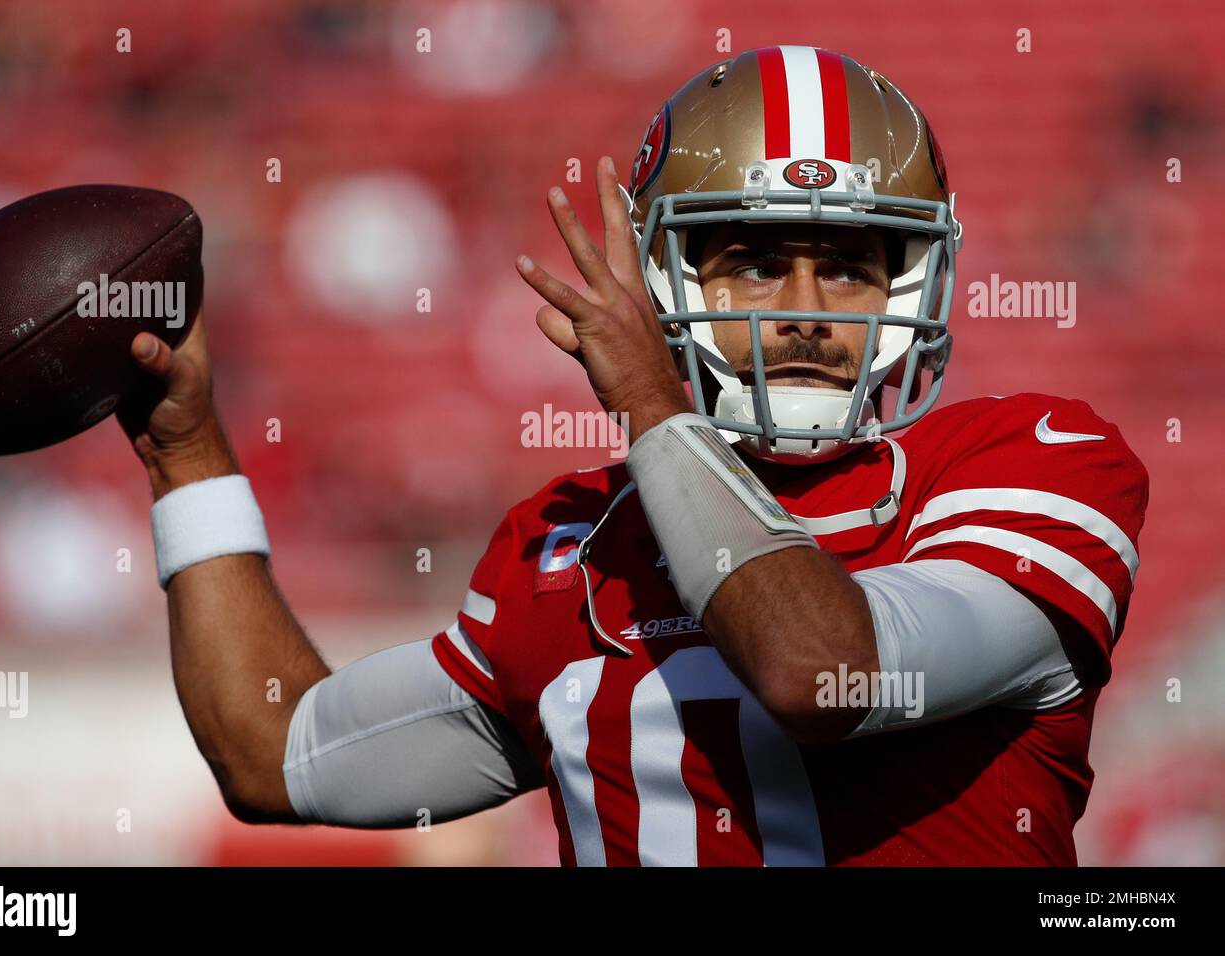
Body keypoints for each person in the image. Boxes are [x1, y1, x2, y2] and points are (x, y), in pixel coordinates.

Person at [122, 46, 1148, 866]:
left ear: (909, 287)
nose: (800, 310)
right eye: (750, 261)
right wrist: (189, 459)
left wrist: (653, 405)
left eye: (844, 266)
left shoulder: (1029, 461)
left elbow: (820, 670)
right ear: (661, 279)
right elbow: (279, 754)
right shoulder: (573, 545)